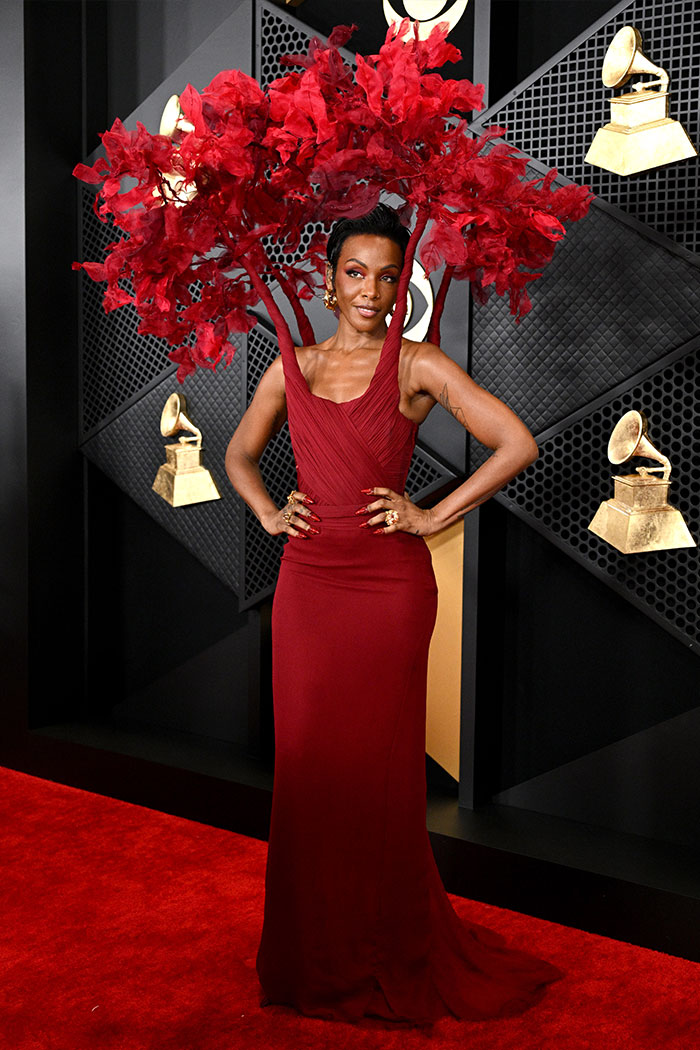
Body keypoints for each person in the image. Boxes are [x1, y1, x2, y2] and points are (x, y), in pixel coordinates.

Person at [225, 202, 560, 1024]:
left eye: (386, 275)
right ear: (328, 281)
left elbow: (517, 442)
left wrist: (434, 515)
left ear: (399, 282)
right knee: (307, 770)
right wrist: (269, 510)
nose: (372, 290)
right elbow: (236, 451)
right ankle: (314, 956)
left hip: (388, 591)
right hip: (309, 588)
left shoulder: (416, 365)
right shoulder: (291, 365)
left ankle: (386, 952)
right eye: (355, 274)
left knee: (378, 778)